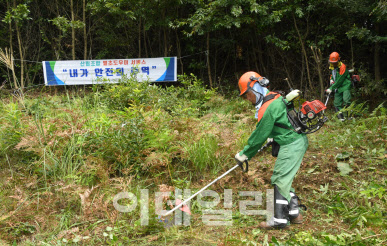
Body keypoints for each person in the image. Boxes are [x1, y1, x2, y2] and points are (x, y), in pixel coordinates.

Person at [235, 71, 308, 229]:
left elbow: (258, 136)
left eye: (247, 95)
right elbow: (280, 119)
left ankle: (280, 220)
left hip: (292, 144)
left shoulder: (267, 107)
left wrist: (244, 154)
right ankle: (295, 213)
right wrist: (273, 135)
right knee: (285, 178)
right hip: (295, 140)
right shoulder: (274, 96)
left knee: (280, 179)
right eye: (244, 97)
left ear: (255, 88)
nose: (247, 99)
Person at [326, 52, 352, 121]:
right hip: (337, 87)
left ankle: (348, 117)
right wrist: (331, 80)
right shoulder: (332, 66)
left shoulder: (342, 67)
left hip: (345, 86)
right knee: (337, 103)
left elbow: (340, 80)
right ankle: (341, 118)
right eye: (332, 62)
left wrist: (331, 88)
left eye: (335, 62)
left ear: (338, 60)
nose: (333, 63)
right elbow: (333, 75)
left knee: (346, 101)